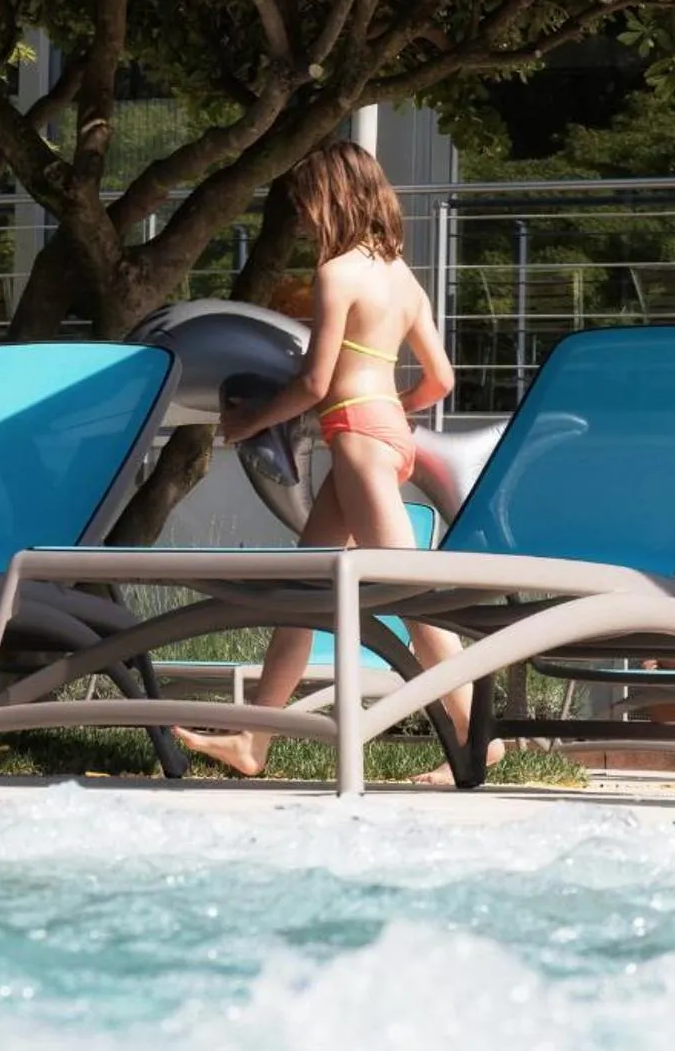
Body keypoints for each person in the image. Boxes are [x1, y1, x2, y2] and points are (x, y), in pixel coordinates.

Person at [173, 139, 504, 785]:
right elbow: (440, 378)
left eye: (305, 206)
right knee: (304, 594)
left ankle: (477, 738)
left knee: (413, 599)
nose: (301, 221)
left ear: (332, 200)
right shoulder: (401, 277)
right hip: (383, 435)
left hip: (355, 439)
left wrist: (247, 421)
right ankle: (253, 741)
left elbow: (315, 383)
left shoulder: (337, 274)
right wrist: (391, 414)